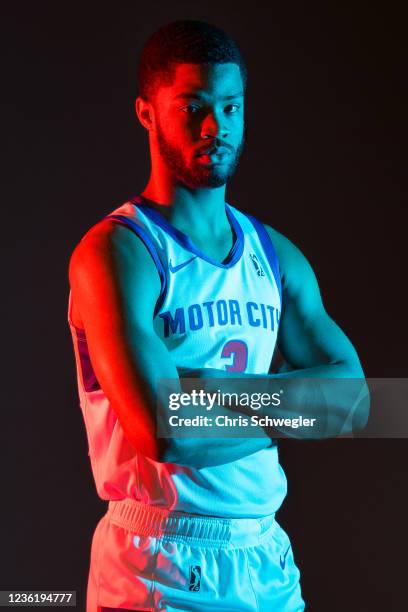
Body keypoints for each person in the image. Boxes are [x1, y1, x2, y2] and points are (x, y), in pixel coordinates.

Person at [68, 20, 367, 611]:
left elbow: (356, 402)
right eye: (192, 106)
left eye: (231, 106)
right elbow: (167, 428)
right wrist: (300, 404)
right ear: (147, 113)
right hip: (160, 561)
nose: (217, 126)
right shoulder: (118, 253)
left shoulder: (274, 253)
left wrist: (211, 395)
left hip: (266, 554)